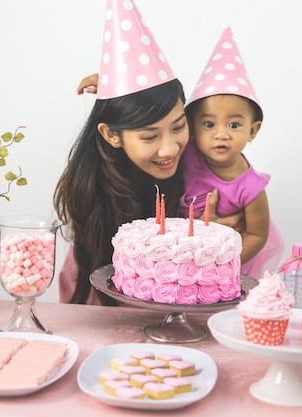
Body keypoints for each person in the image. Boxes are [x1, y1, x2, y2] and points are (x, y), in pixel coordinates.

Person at [54, 1, 242, 305]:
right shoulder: (91, 182)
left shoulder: (200, 157)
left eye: (179, 126)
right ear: (111, 134)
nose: (169, 149)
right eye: (150, 135)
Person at [179, 27, 284, 279]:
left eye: (234, 125)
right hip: (177, 256)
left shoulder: (252, 188)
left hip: (219, 269)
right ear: (191, 127)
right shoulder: (185, 155)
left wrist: (222, 264)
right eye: (209, 124)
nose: (221, 134)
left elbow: (257, 235)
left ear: (253, 130)